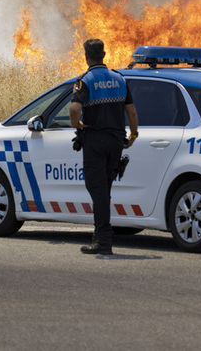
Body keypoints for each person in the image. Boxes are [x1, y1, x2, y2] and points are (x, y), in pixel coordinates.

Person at [69, 38, 139, 255]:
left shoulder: (86, 80)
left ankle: (103, 241)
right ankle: (100, 237)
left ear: (86, 56)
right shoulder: (119, 79)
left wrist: (77, 124)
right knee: (104, 189)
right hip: (116, 141)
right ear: (104, 54)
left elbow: (73, 109)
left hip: (95, 141)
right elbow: (132, 112)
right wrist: (133, 134)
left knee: (97, 189)